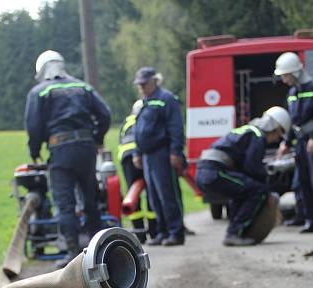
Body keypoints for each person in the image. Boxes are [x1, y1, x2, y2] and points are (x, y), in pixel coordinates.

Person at [25, 50, 111, 268]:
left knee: (65, 204)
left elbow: (33, 127)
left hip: (60, 150)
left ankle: (72, 254)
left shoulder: (39, 92)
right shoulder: (83, 87)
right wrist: (97, 137)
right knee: (90, 200)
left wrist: (34, 151)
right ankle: (99, 251)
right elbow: (105, 114)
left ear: (42, 70)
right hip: (86, 148)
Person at [195, 107, 291, 246]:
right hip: (215, 172)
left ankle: (237, 232)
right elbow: (252, 168)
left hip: (206, 171)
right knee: (258, 191)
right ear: (274, 126)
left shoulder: (248, 131)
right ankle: (234, 233)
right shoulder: (257, 136)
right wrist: (267, 190)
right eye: (279, 134)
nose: (277, 139)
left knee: (242, 191)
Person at [275, 52, 313, 234]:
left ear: (295, 73)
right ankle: (311, 220)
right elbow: (294, 121)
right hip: (300, 142)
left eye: (285, 76)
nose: (284, 80)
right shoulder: (292, 93)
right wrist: (286, 142)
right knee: (303, 182)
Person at [131, 67, 186, 246]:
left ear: (155, 80)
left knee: (167, 194)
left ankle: (176, 232)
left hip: (162, 153)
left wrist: (175, 152)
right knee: (153, 196)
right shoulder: (146, 101)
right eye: (139, 84)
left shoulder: (166, 99)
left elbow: (176, 128)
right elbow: (139, 130)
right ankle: (162, 232)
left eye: (144, 84)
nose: (141, 87)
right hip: (147, 156)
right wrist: (137, 152)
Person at [117, 99, 157, 243]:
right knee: (152, 193)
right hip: (143, 156)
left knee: (133, 196)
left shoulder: (126, 122)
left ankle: (139, 235)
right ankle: (154, 231)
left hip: (127, 160)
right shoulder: (146, 119)